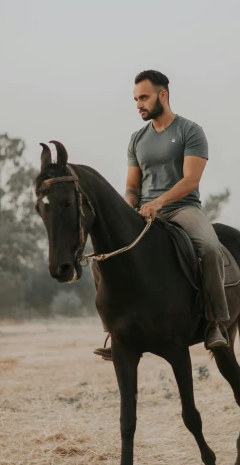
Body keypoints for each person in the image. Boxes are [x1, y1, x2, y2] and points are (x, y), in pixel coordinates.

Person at [94, 70, 229, 360]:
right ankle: (114, 330)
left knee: (209, 248)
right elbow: (132, 186)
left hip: (182, 209)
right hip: (144, 213)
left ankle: (215, 323)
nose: (138, 104)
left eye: (144, 97)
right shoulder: (137, 139)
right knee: (101, 258)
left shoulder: (189, 131)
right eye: (135, 99)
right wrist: (127, 206)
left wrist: (159, 202)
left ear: (163, 95)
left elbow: (191, 180)